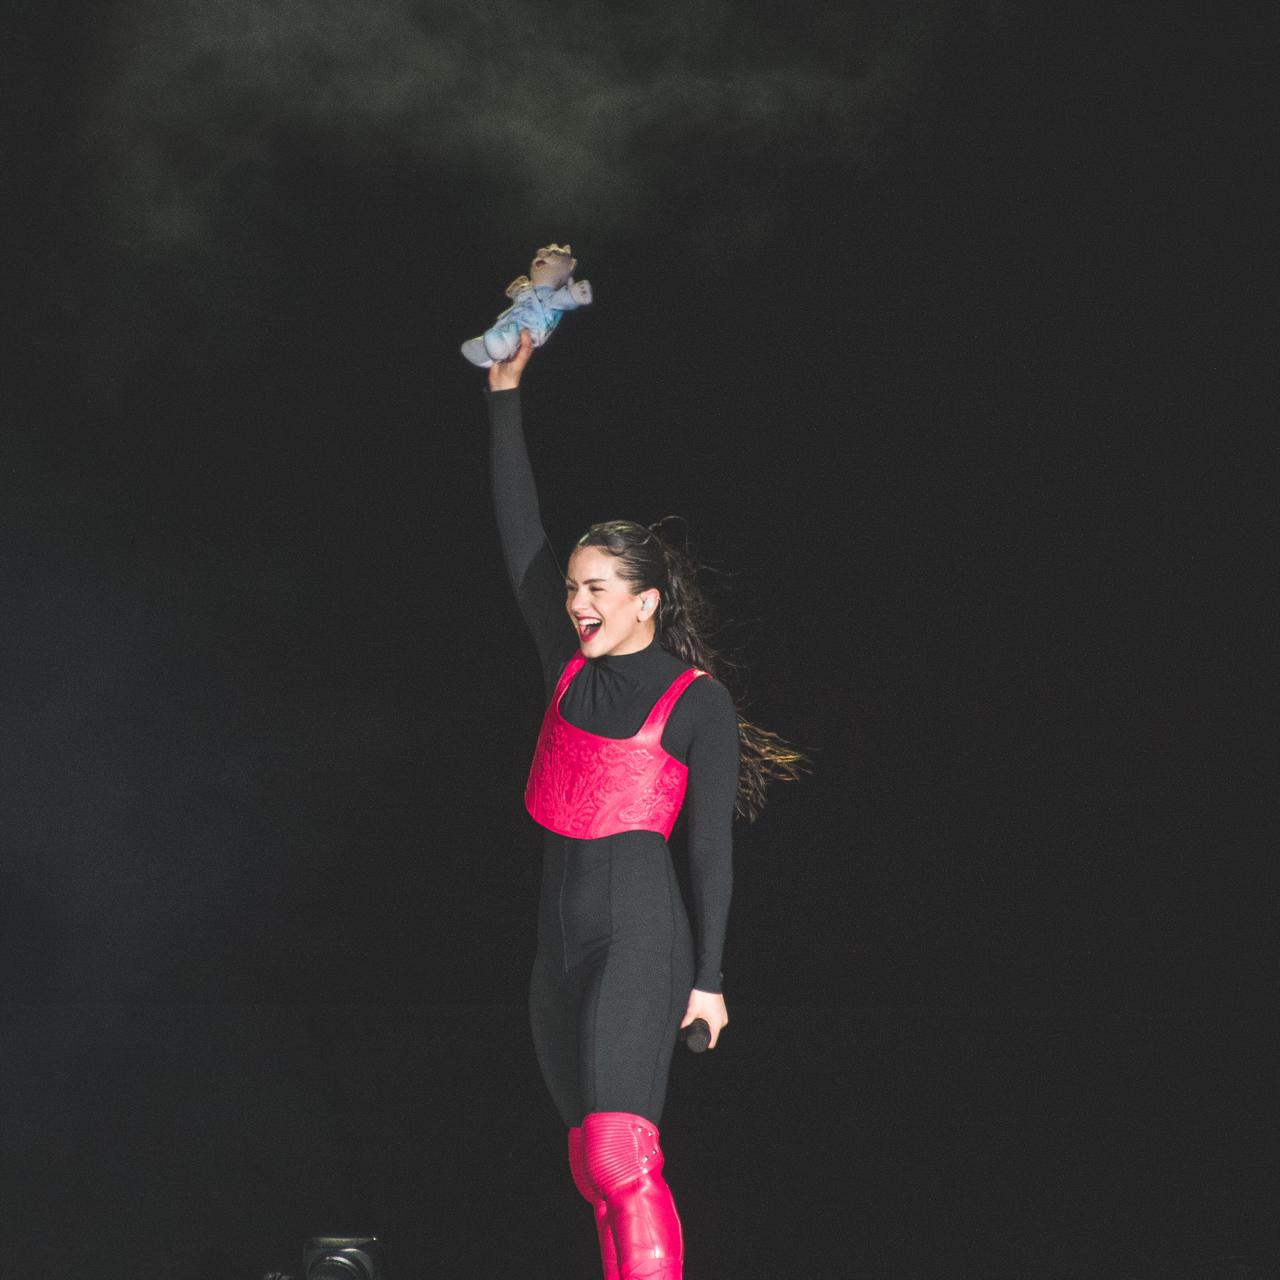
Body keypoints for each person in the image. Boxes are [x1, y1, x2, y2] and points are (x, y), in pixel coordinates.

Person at [485, 331, 799, 1279]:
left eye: (596, 589)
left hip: (640, 939)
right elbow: (521, 533)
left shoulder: (696, 702)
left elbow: (709, 850)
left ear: (646, 601)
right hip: (557, 948)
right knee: (592, 1167)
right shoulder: (565, 668)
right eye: (572, 589)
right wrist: (504, 394)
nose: (576, 602)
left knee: (625, 1154)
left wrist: (708, 977)